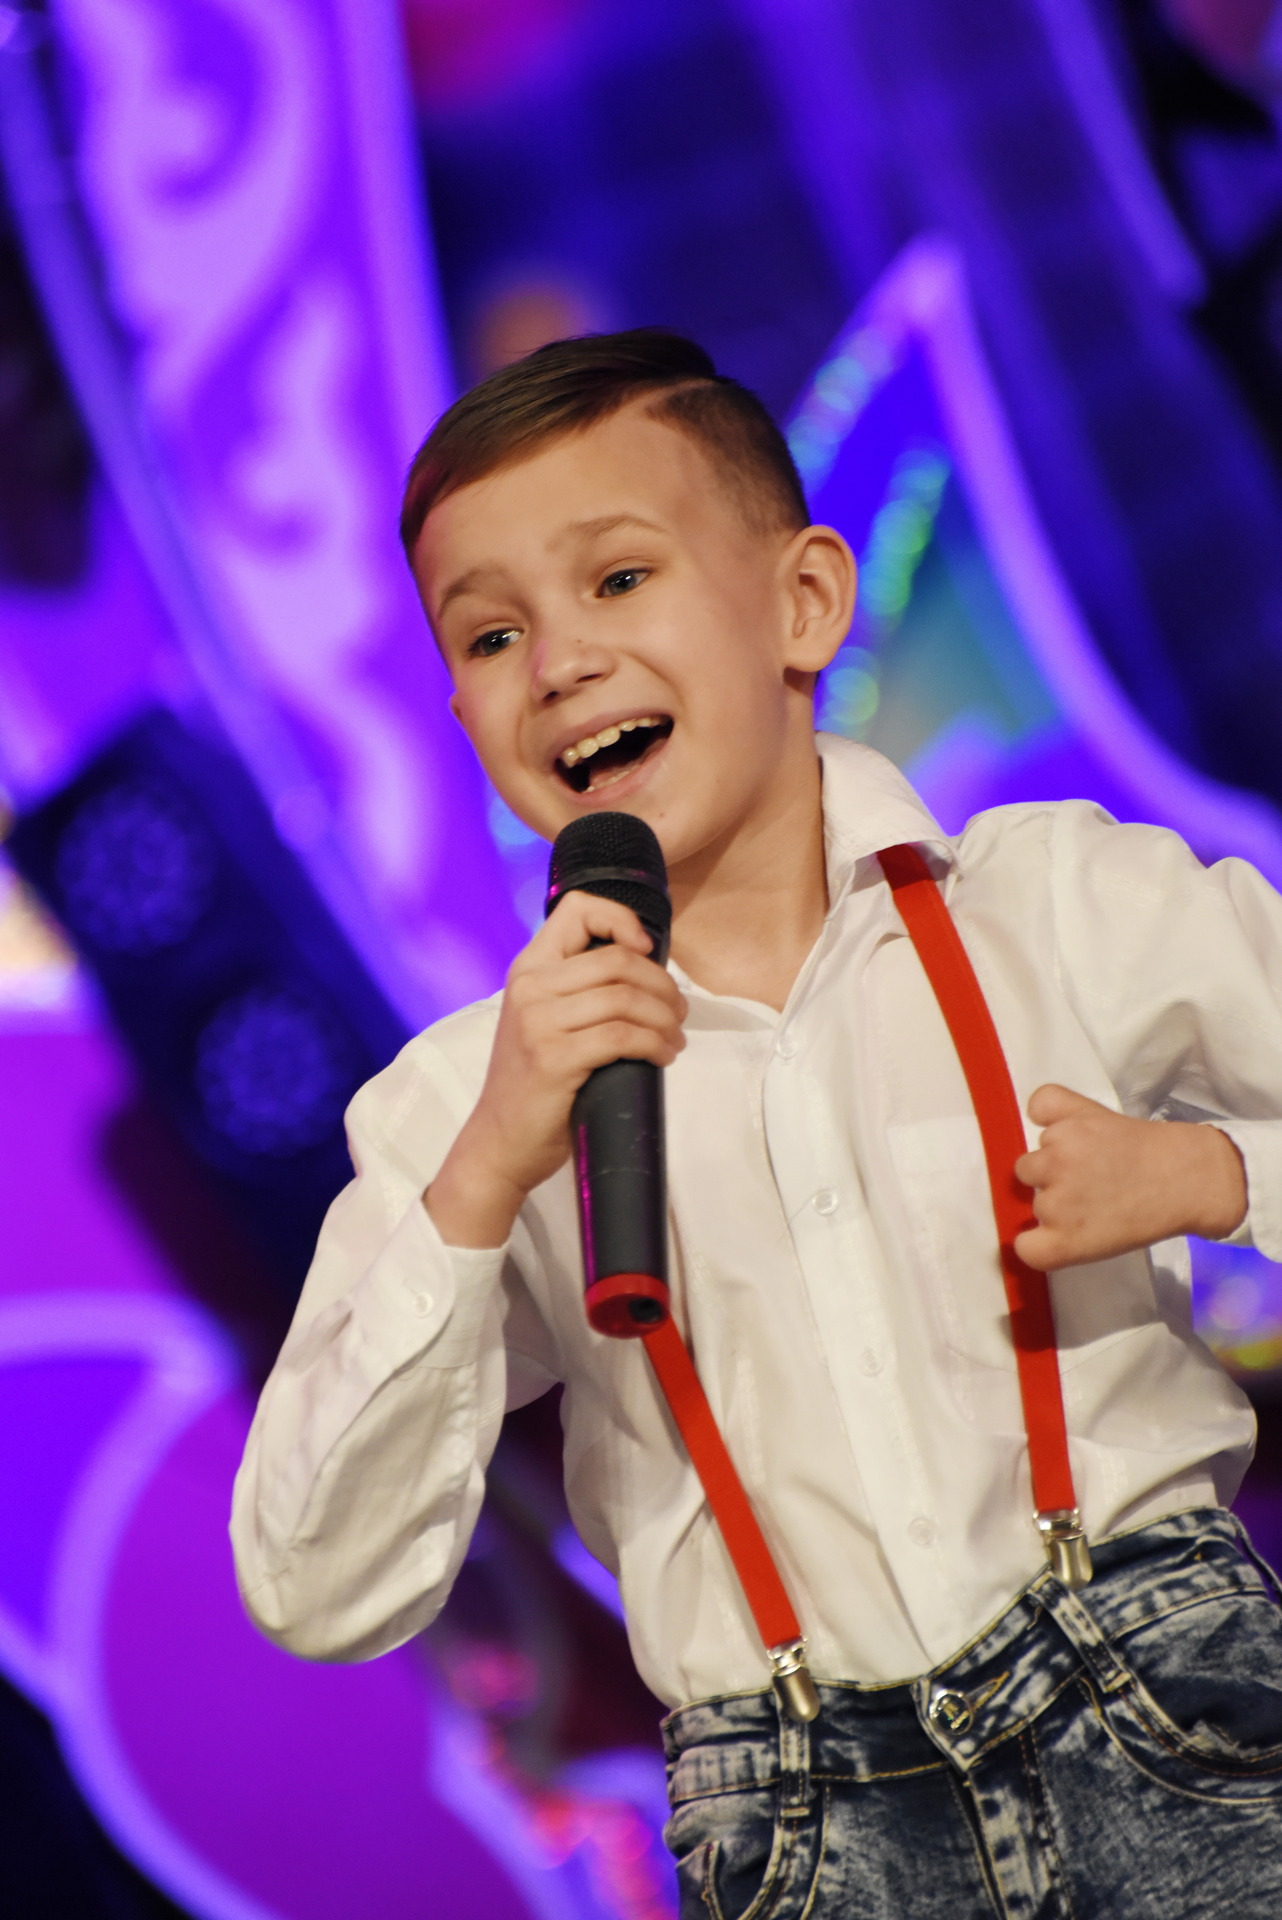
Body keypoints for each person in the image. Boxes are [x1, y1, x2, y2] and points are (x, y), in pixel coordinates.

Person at [231, 329, 1282, 1917]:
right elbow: (314, 1581)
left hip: (1172, 1716)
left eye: (617, 580)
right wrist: (487, 1172)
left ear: (804, 603)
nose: (560, 662)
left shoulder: (1055, 905)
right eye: (493, 633)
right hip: (807, 1823)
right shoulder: (461, 1102)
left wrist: (1212, 1172)